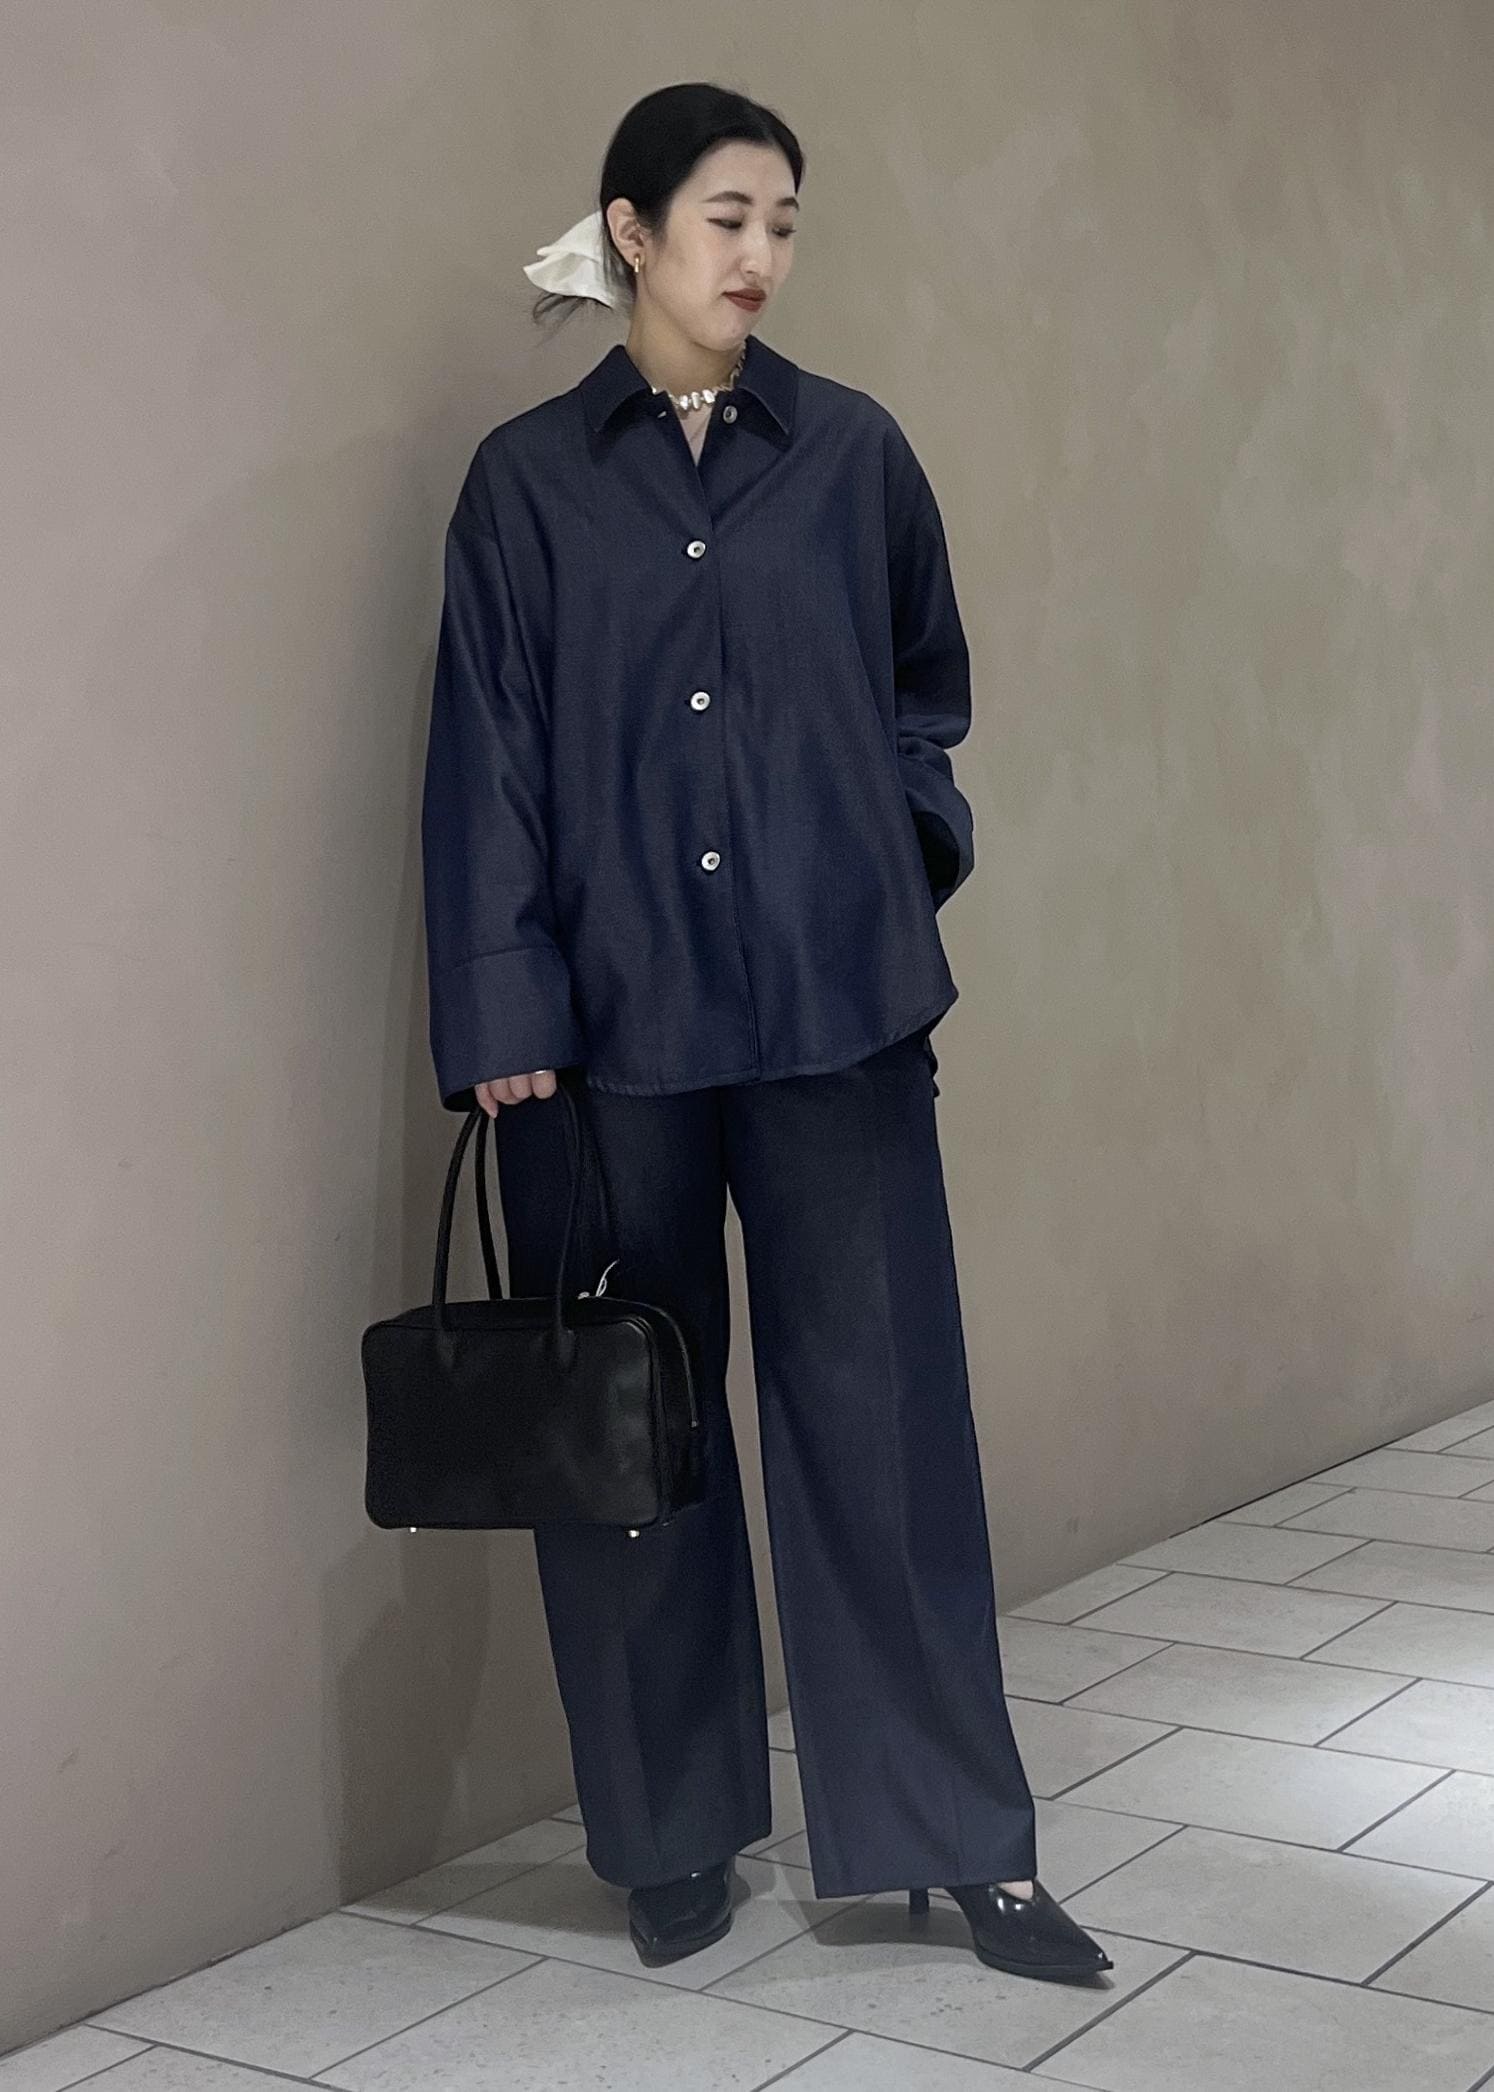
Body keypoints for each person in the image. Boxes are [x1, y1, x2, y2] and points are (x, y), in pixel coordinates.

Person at [420, 80, 1111, 1985]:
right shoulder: (525, 485)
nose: (761, 256)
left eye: (784, 223)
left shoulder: (854, 454)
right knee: (630, 1446)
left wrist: (901, 852)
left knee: (886, 1431)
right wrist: (503, 1005)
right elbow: (483, 750)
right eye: (728, 218)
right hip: (599, 1042)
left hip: (836, 1018)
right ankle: (669, 1839)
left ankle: (956, 1840)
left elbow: (922, 695)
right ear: (633, 232)